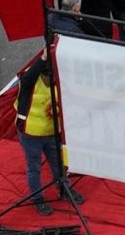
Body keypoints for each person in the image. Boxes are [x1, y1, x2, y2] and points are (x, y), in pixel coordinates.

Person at [15, 53, 81, 207]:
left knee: (58, 163)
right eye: (47, 76)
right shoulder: (29, 81)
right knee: (34, 167)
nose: (50, 81)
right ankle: (38, 200)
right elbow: (30, 74)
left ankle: (64, 190)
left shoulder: (58, 81)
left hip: (52, 133)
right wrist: (43, 57)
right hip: (30, 134)